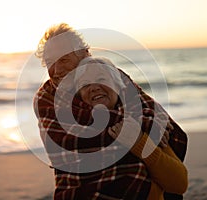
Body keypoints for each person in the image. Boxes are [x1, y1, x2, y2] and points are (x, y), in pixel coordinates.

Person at [33, 23, 188, 199]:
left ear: (85, 54)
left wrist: (148, 125)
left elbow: (156, 111)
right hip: (81, 190)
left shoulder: (111, 77)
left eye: (64, 59)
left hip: (145, 184)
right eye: (49, 62)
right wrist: (142, 127)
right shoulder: (47, 98)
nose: (56, 70)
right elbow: (77, 139)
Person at [72, 57, 188, 199]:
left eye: (102, 79)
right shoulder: (74, 132)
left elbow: (179, 184)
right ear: (80, 96)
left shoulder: (141, 120)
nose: (94, 87)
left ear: (118, 86)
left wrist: (138, 142)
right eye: (85, 84)